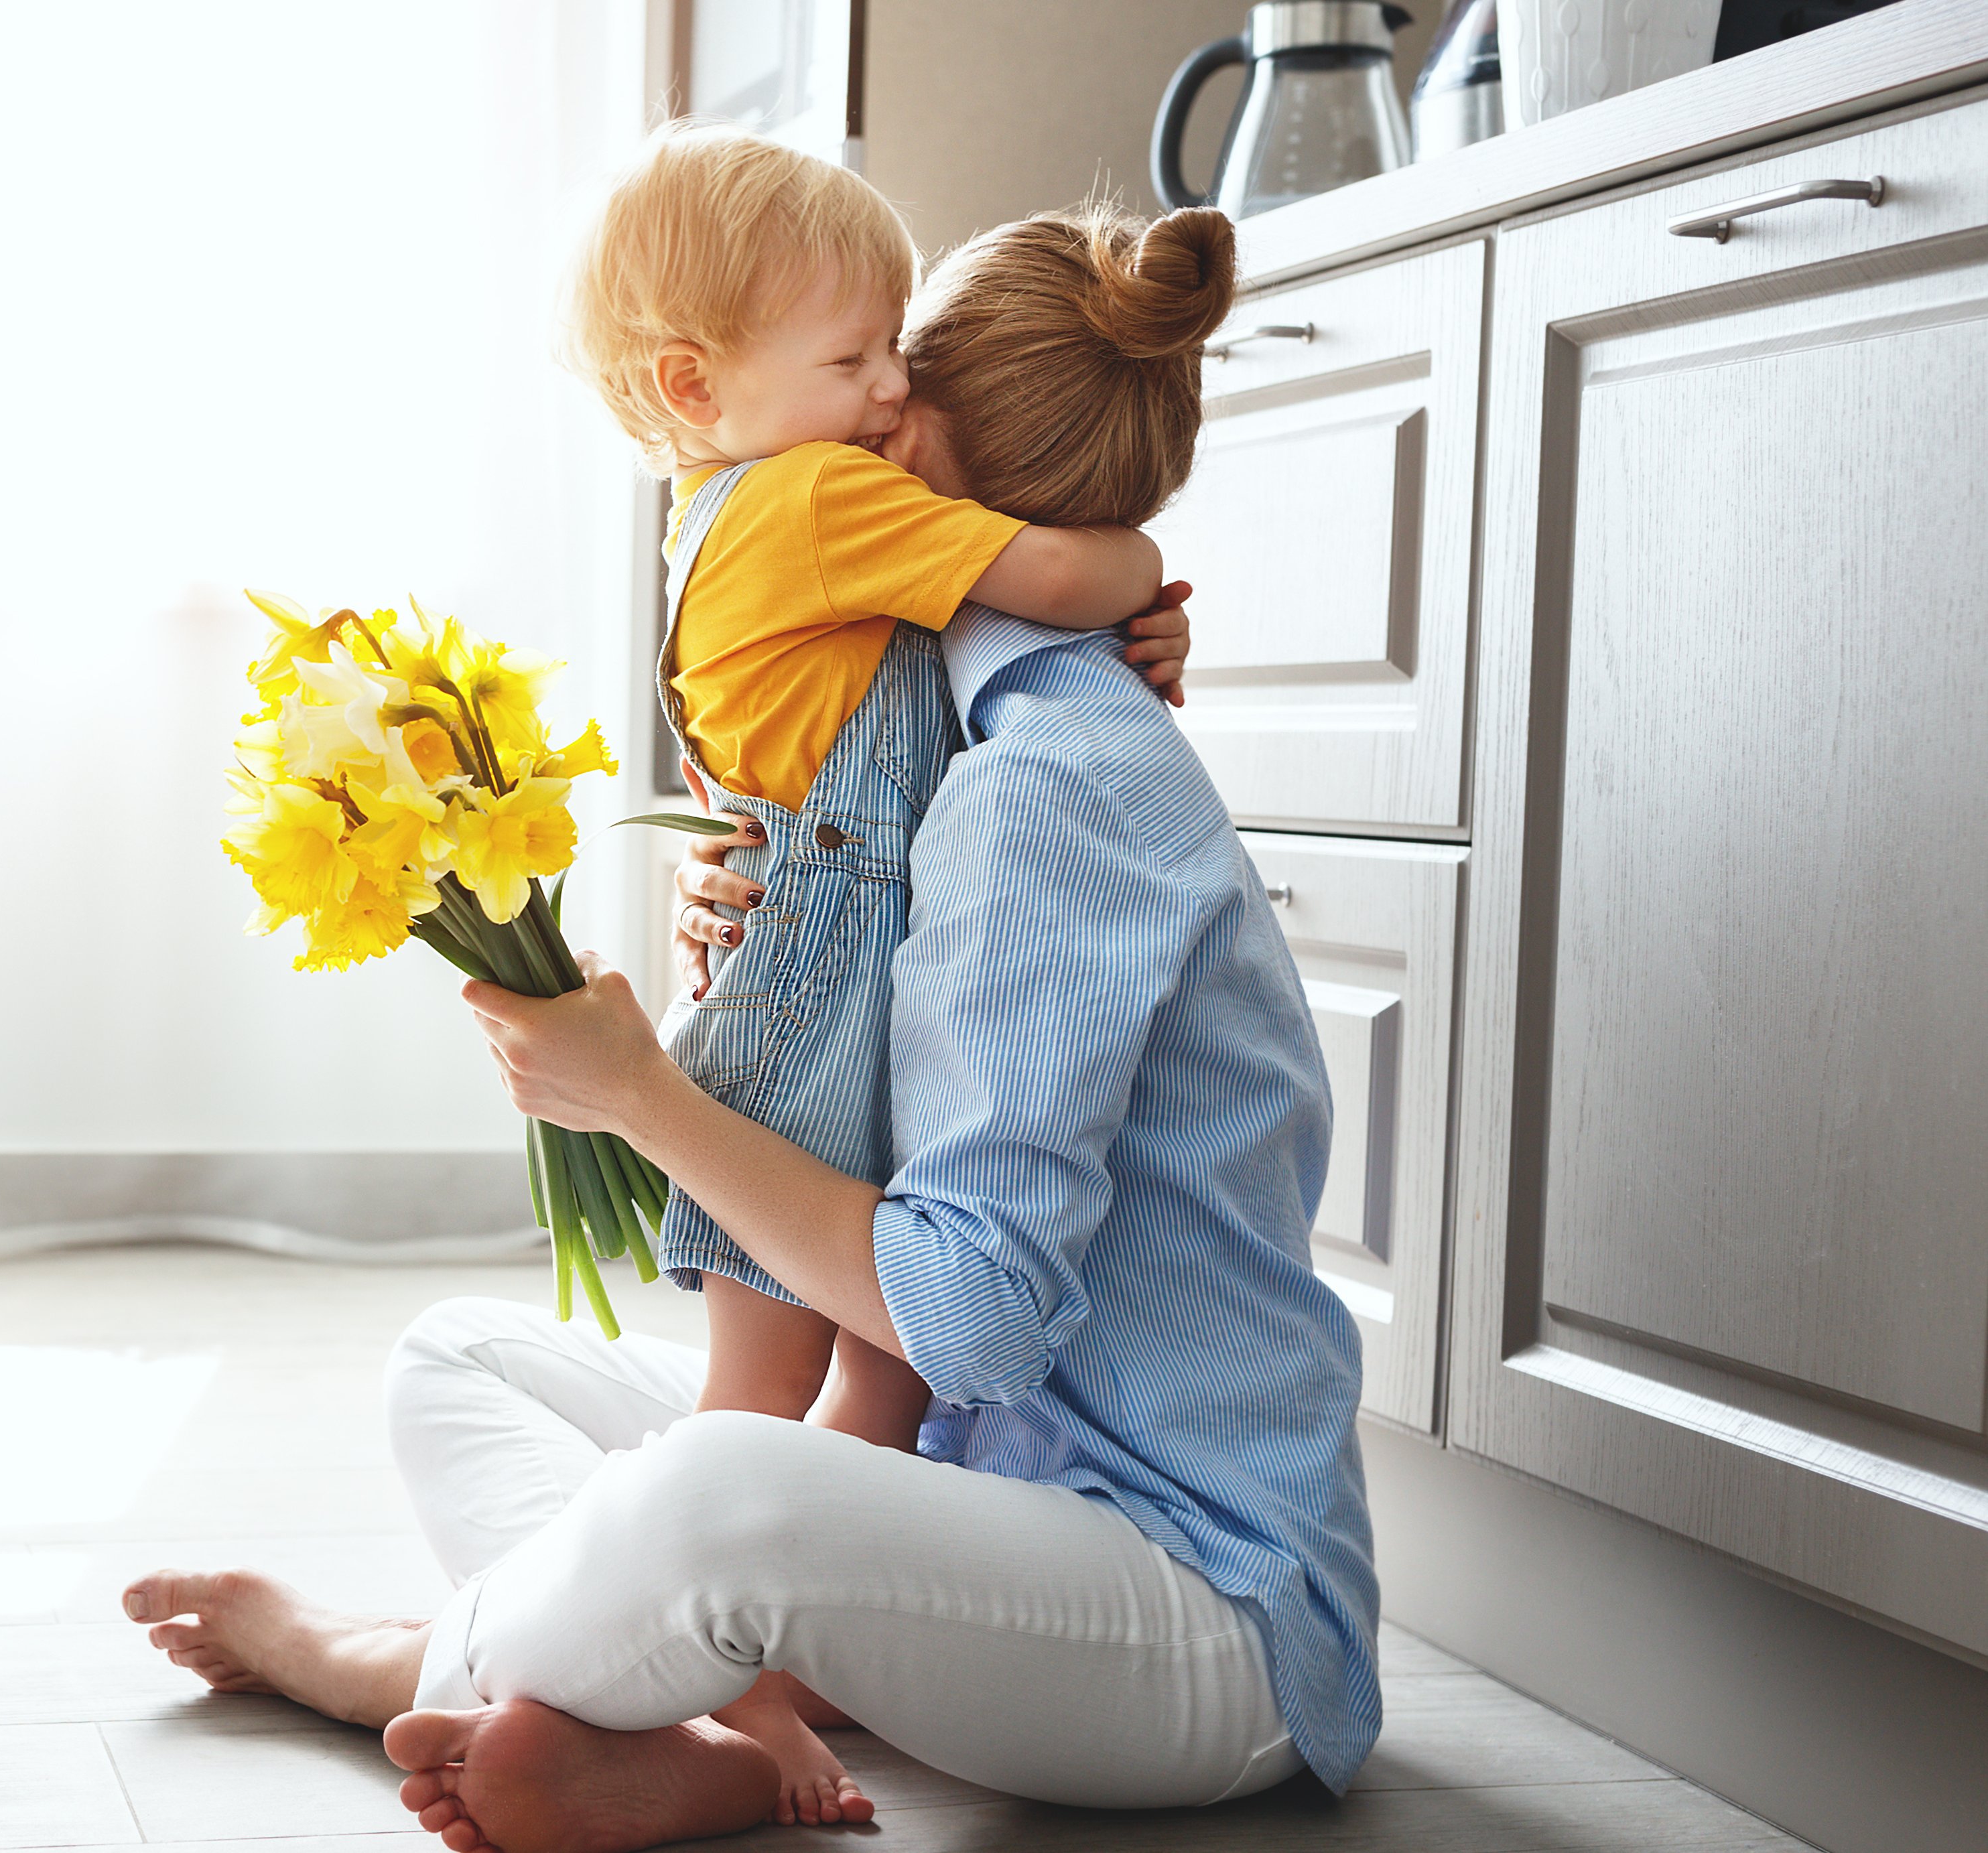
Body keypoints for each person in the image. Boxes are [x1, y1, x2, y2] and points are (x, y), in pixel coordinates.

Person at [121, 201, 1377, 1853]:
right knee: (466, 1356)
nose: (846, 407)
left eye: (879, 367)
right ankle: (684, 1728)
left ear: (911, 453)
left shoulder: (1054, 788)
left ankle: (381, 1662)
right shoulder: (944, 729)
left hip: (1193, 1607)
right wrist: (759, 914)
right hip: (972, 1508)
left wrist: (642, 1095)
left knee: (713, 1490)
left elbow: (968, 1328)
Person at [564, 130, 1187, 1483]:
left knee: (867, 1380)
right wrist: (1142, 557)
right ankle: (643, 1629)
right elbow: (1063, 580)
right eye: (853, 362)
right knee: (774, 1386)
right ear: (696, 383)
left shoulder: (721, 508)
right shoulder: (815, 497)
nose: (894, 385)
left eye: (894, 346)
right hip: (818, 985)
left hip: (837, 956)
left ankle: (777, 1650)